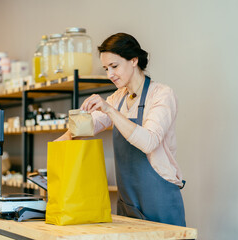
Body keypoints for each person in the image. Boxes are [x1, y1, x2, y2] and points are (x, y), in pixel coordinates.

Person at [55, 32, 186, 227]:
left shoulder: (161, 95)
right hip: (129, 202)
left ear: (134, 60)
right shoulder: (119, 97)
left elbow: (149, 142)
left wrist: (109, 110)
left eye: (114, 66)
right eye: (106, 68)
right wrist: (66, 137)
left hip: (159, 201)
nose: (110, 75)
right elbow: (89, 126)